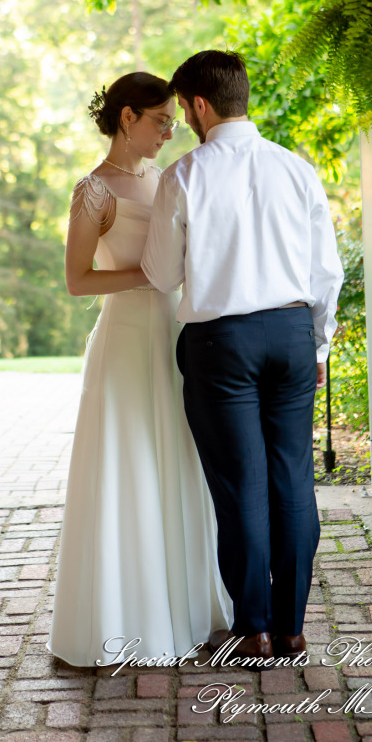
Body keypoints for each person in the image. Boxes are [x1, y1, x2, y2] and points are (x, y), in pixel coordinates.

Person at [141, 50, 343, 661]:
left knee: (241, 489)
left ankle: (252, 628)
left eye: (183, 107)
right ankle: (292, 628)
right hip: (290, 336)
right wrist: (320, 343)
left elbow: (158, 274)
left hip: (221, 345)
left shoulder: (184, 175)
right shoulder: (297, 169)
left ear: (199, 105)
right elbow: (325, 272)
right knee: (292, 483)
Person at [47, 71, 231, 667]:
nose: (168, 133)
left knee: (179, 461)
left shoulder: (165, 178)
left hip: (174, 335)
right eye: (159, 122)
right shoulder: (92, 192)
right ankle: (132, 618)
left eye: (173, 124)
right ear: (127, 118)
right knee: (131, 466)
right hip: (126, 339)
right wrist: (150, 276)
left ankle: (189, 605)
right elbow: (78, 280)